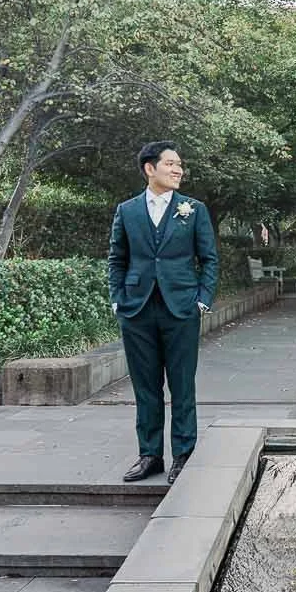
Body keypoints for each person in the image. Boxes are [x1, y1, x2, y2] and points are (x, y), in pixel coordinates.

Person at [108, 141, 218, 485]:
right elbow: (117, 259)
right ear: (149, 168)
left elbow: (209, 259)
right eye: (170, 163)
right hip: (137, 309)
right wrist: (117, 300)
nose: (178, 170)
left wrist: (202, 300)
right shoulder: (127, 210)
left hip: (181, 308)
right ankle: (150, 456)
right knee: (146, 386)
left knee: (182, 385)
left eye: (179, 164)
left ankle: (183, 454)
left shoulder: (194, 209)